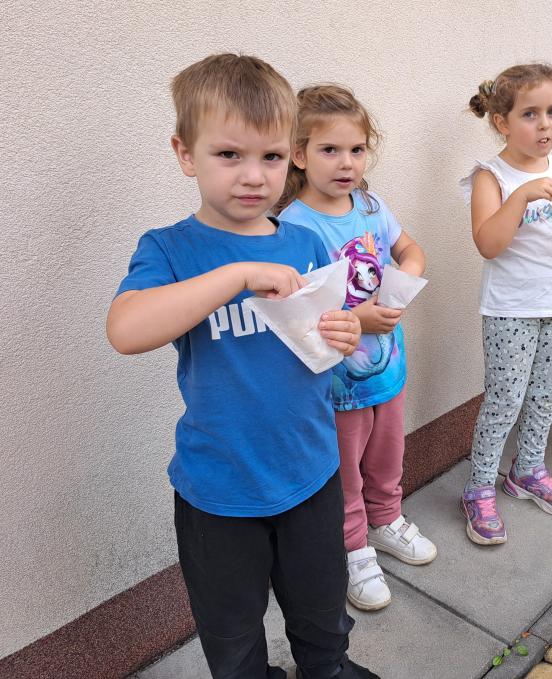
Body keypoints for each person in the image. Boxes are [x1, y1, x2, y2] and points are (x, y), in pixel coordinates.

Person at [106, 54, 378, 679]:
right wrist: (236, 275)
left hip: (311, 470)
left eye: (272, 157)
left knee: (322, 612)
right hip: (219, 490)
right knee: (232, 635)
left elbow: (324, 333)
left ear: (290, 157)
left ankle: (328, 669)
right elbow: (125, 330)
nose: (254, 176)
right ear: (185, 153)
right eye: (229, 154)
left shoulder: (303, 241)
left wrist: (344, 330)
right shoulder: (171, 249)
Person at [275, 84, 434, 611]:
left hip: (388, 368)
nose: (346, 162)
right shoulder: (294, 225)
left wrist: (404, 277)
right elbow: (297, 313)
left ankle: (387, 518)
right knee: (345, 467)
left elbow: (410, 249)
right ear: (299, 155)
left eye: (357, 149)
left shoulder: (371, 205)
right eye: (330, 149)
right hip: (337, 383)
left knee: (388, 455)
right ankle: (353, 548)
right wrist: (359, 317)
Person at [459, 63, 552, 545]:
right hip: (510, 309)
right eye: (530, 114)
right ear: (502, 121)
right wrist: (520, 195)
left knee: (544, 396)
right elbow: (488, 244)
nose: (544, 125)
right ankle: (479, 487)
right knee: (504, 400)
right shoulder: (491, 176)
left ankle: (528, 469)